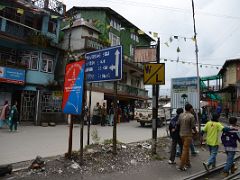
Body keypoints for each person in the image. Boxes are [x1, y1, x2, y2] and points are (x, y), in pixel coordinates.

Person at [177, 104, 198, 171]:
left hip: (181, 134)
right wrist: (196, 132)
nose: (192, 109)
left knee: (186, 149)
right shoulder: (191, 116)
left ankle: (187, 163)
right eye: (192, 108)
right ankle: (181, 166)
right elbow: (193, 126)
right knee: (185, 150)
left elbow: (178, 124)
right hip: (188, 135)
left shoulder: (181, 115)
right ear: (190, 109)